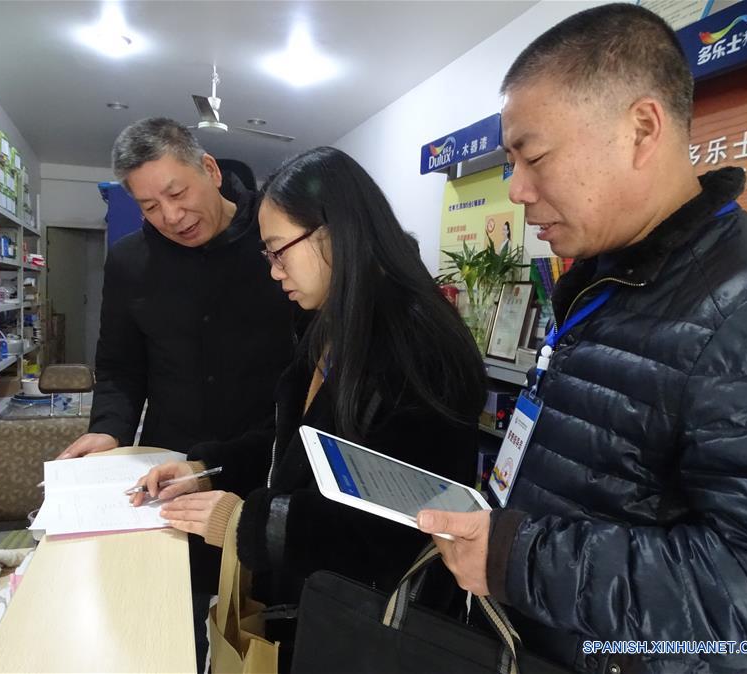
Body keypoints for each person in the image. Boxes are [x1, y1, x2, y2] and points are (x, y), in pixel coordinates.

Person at [418, 4, 747, 673]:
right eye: (510, 162)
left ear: (641, 129)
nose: (517, 190)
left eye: (533, 156)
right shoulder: (604, 277)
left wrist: (518, 558)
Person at [133, 146, 489, 670]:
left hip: (376, 630)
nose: (274, 272)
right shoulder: (333, 324)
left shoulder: (417, 348)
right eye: (268, 256)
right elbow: (298, 443)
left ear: (334, 232)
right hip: (318, 607)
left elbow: (396, 525)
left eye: (280, 251)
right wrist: (206, 468)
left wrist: (247, 523)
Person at [57, 118, 299, 672]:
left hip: (266, 465)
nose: (170, 216)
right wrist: (109, 430)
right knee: (169, 621)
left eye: (177, 192)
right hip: (170, 472)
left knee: (261, 624)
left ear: (209, 169)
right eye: (149, 206)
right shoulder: (130, 262)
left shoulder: (274, 241)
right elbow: (119, 368)